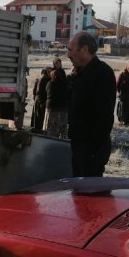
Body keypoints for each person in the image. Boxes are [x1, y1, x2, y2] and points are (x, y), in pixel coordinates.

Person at [67, 31, 116, 176]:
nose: (68, 55)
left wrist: (93, 151)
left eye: (70, 50)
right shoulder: (80, 74)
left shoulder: (102, 73)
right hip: (80, 146)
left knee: (88, 194)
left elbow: (104, 117)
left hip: (91, 150)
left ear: (85, 50)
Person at [43, 66, 68, 138]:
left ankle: (50, 139)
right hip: (63, 108)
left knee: (50, 127)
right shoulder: (65, 84)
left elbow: (46, 92)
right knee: (62, 127)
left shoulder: (50, 83)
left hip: (52, 108)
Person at [31, 67, 51, 133]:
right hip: (40, 102)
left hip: (43, 101)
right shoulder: (42, 79)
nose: (50, 73)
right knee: (38, 118)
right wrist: (41, 102)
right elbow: (38, 92)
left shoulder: (49, 79)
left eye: (51, 71)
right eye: (48, 72)